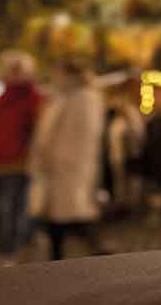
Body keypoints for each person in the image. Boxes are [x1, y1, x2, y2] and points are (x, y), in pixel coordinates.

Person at [29, 60, 107, 261]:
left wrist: (45, 158)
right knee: (71, 210)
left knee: (67, 212)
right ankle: (83, 249)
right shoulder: (84, 97)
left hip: (64, 163)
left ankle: (84, 250)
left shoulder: (74, 98)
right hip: (71, 165)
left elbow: (49, 133)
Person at [0, 51, 41, 263]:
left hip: (18, 163)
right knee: (5, 209)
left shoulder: (32, 100)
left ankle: (10, 250)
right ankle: (12, 246)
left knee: (12, 210)